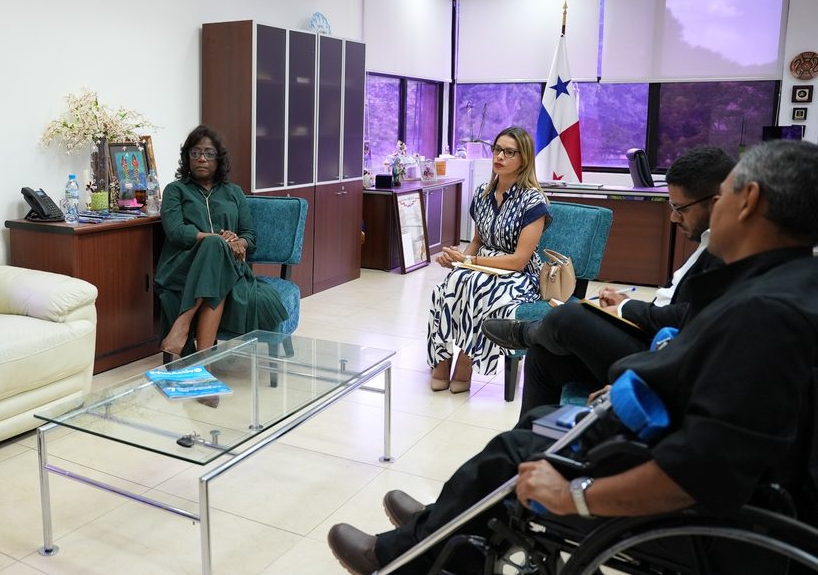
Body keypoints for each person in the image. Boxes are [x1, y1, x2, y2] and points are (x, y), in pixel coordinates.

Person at [328, 140, 818, 575]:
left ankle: (400, 556)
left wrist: (573, 496)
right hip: (667, 431)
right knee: (540, 410)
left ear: (748, 200)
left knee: (512, 454)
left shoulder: (766, 313)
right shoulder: (779, 286)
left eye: (726, 192)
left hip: (701, 514)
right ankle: (450, 523)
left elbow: (703, 470)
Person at [482, 146, 735, 412]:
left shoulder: (729, 253)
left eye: (680, 208)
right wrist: (626, 304)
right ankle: (530, 438)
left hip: (665, 356)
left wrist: (627, 309)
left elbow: (688, 319)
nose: (673, 217)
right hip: (653, 336)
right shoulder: (711, 240)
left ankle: (525, 332)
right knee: (542, 356)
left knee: (570, 316)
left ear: (716, 202)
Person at [427, 127, 549, 392]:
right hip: (480, 266)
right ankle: (442, 356)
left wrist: (470, 263)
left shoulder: (533, 201)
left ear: (524, 159)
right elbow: (478, 243)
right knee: (448, 285)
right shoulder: (482, 193)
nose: (499, 157)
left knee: (477, 287)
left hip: (519, 275)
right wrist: (458, 260)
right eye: (496, 149)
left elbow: (519, 260)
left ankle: (466, 360)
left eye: (509, 152)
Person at [155, 125, 287, 359]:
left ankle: (185, 332)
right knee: (214, 246)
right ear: (187, 158)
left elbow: (249, 234)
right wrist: (219, 240)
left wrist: (240, 243)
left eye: (208, 153)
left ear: (219, 159)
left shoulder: (234, 192)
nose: (201, 159)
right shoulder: (175, 190)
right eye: (194, 153)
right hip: (182, 265)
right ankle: (203, 359)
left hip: (228, 266)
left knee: (217, 254)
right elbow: (176, 231)